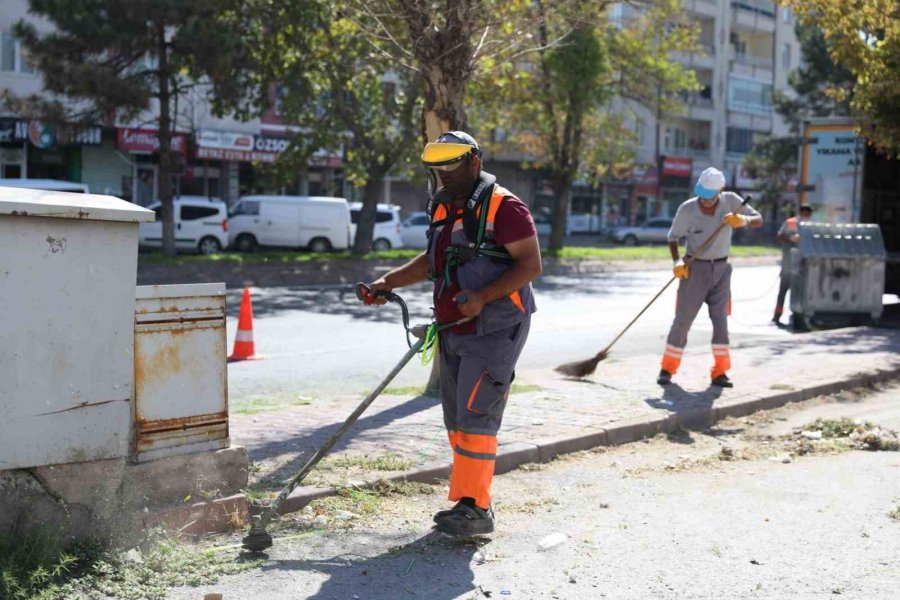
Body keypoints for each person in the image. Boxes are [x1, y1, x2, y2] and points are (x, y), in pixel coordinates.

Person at [361, 131, 542, 536]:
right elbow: (433, 260)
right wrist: (387, 282)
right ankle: (469, 502)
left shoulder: (505, 206)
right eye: (437, 169)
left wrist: (482, 296)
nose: (444, 176)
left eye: (452, 167)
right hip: (454, 326)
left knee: (477, 414)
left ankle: (476, 509)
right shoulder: (444, 206)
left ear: (474, 162)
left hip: (495, 327)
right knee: (457, 418)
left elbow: (530, 265)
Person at [657, 167, 763, 388]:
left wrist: (742, 220)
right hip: (694, 270)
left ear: (720, 190)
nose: (705, 201)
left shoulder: (731, 201)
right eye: (702, 195)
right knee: (682, 321)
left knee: (721, 322)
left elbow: (758, 219)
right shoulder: (687, 209)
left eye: (710, 196)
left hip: (722, 271)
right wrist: (677, 261)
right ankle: (667, 369)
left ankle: (720, 372)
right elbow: (673, 237)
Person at [772, 205, 814, 325]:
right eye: (805, 213)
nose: (807, 216)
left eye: (808, 214)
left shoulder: (811, 226)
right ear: (801, 212)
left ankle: (798, 317)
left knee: (800, 293)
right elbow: (780, 236)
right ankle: (777, 315)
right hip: (788, 264)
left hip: (802, 265)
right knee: (783, 291)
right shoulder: (790, 222)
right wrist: (790, 237)